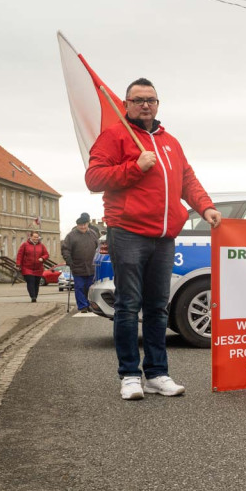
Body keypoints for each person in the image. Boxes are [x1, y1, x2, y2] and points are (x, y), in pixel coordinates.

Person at [85, 77, 222, 401]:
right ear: (126, 104)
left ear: (158, 104)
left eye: (151, 100)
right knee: (128, 306)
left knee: (158, 308)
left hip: (164, 237)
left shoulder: (170, 141)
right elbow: (94, 178)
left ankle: (157, 374)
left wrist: (206, 207)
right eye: (139, 100)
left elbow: (187, 180)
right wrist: (135, 166)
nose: (146, 105)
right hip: (128, 232)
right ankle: (130, 375)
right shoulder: (114, 136)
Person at [61, 213, 99, 314]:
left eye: (84, 224)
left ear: (87, 224)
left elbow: (98, 248)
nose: (83, 227)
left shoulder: (93, 234)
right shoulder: (71, 236)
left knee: (90, 287)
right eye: (80, 225)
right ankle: (83, 306)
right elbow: (65, 249)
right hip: (77, 265)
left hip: (91, 266)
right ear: (77, 225)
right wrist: (68, 259)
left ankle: (89, 304)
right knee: (79, 287)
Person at [16, 230, 49, 303]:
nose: (36, 238)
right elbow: (20, 255)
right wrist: (18, 264)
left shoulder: (41, 246)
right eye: (34, 237)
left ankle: (35, 296)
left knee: (36, 283)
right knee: (31, 281)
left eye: (37, 237)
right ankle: (32, 296)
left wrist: (42, 258)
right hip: (27, 268)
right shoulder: (25, 245)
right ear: (30, 237)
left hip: (38, 268)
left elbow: (46, 254)